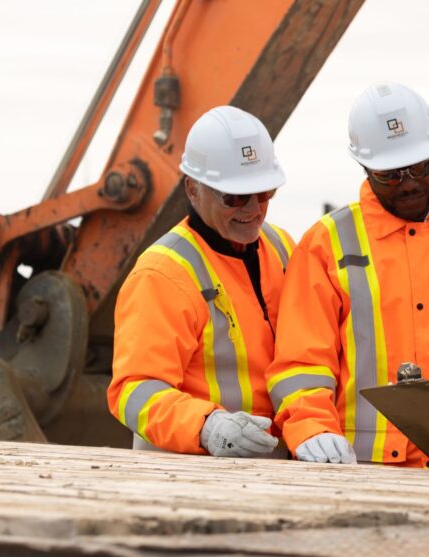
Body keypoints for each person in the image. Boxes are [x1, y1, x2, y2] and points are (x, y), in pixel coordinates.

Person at [267, 82, 429, 467]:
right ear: (365, 168)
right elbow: (301, 363)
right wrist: (311, 429)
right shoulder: (327, 244)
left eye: (420, 167)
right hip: (365, 470)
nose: (410, 183)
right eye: (391, 176)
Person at [108, 105, 294, 457]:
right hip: (190, 473)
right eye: (235, 197)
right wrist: (207, 426)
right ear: (193, 190)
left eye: (265, 192)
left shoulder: (282, 248)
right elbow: (132, 391)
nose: (253, 209)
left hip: (275, 469)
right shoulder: (162, 274)